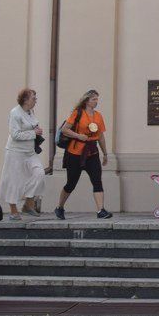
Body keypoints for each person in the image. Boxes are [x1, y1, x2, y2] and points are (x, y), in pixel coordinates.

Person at [55, 89, 113, 220]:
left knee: (97, 180)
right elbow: (65, 130)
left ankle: (100, 210)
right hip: (75, 153)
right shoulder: (77, 113)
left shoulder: (98, 116)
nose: (96, 102)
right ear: (87, 101)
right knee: (71, 183)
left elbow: (101, 136)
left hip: (92, 152)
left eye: (97, 99)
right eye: (94, 99)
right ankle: (60, 207)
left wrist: (105, 153)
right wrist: (78, 136)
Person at [2, 88, 44, 219]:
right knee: (14, 181)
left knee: (40, 174)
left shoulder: (30, 112)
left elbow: (31, 126)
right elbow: (14, 134)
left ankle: (28, 202)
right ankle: (14, 211)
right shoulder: (15, 113)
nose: (36, 100)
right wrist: (33, 133)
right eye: (33, 98)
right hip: (15, 152)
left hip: (30, 152)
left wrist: (36, 130)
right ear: (25, 100)